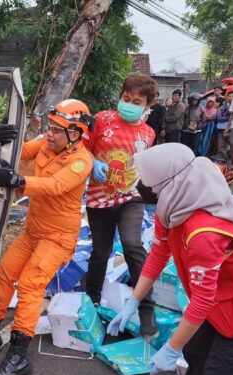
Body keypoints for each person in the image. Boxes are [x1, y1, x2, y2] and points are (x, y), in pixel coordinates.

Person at [110, 143, 233, 375]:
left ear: (169, 182)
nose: (142, 187)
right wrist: (134, 300)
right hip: (220, 296)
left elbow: (203, 300)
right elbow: (159, 253)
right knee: (196, 353)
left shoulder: (205, 232)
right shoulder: (172, 208)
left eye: (146, 181)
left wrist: (171, 348)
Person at [0, 99, 93, 375]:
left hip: (58, 238)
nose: (49, 133)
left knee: (30, 285)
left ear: (75, 134)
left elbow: (55, 186)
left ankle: (18, 356)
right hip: (33, 232)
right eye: (49, 127)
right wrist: (4, 141)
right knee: (3, 274)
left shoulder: (82, 161)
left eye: (56, 129)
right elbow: (16, 153)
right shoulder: (45, 144)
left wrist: (17, 180)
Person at [83, 75, 158, 338]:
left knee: (132, 245)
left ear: (148, 104)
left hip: (130, 198)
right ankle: (91, 299)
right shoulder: (102, 119)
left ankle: (146, 307)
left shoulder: (148, 133)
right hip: (98, 198)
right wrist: (93, 162)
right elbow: (84, 149)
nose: (128, 104)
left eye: (136, 101)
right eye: (126, 98)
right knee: (100, 252)